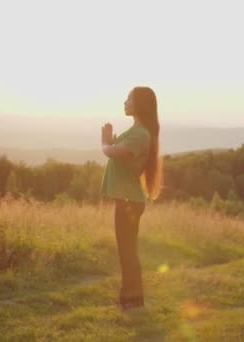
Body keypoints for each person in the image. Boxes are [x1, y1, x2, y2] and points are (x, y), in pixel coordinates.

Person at [100, 86, 163, 311]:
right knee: (127, 250)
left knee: (127, 251)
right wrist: (113, 142)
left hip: (129, 201)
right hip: (127, 200)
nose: (125, 102)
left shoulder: (140, 134)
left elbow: (111, 152)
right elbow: (121, 155)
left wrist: (105, 141)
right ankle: (132, 299)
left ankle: (131, 301)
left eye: (129, 98)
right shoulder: (138, 131)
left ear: (139, 105)